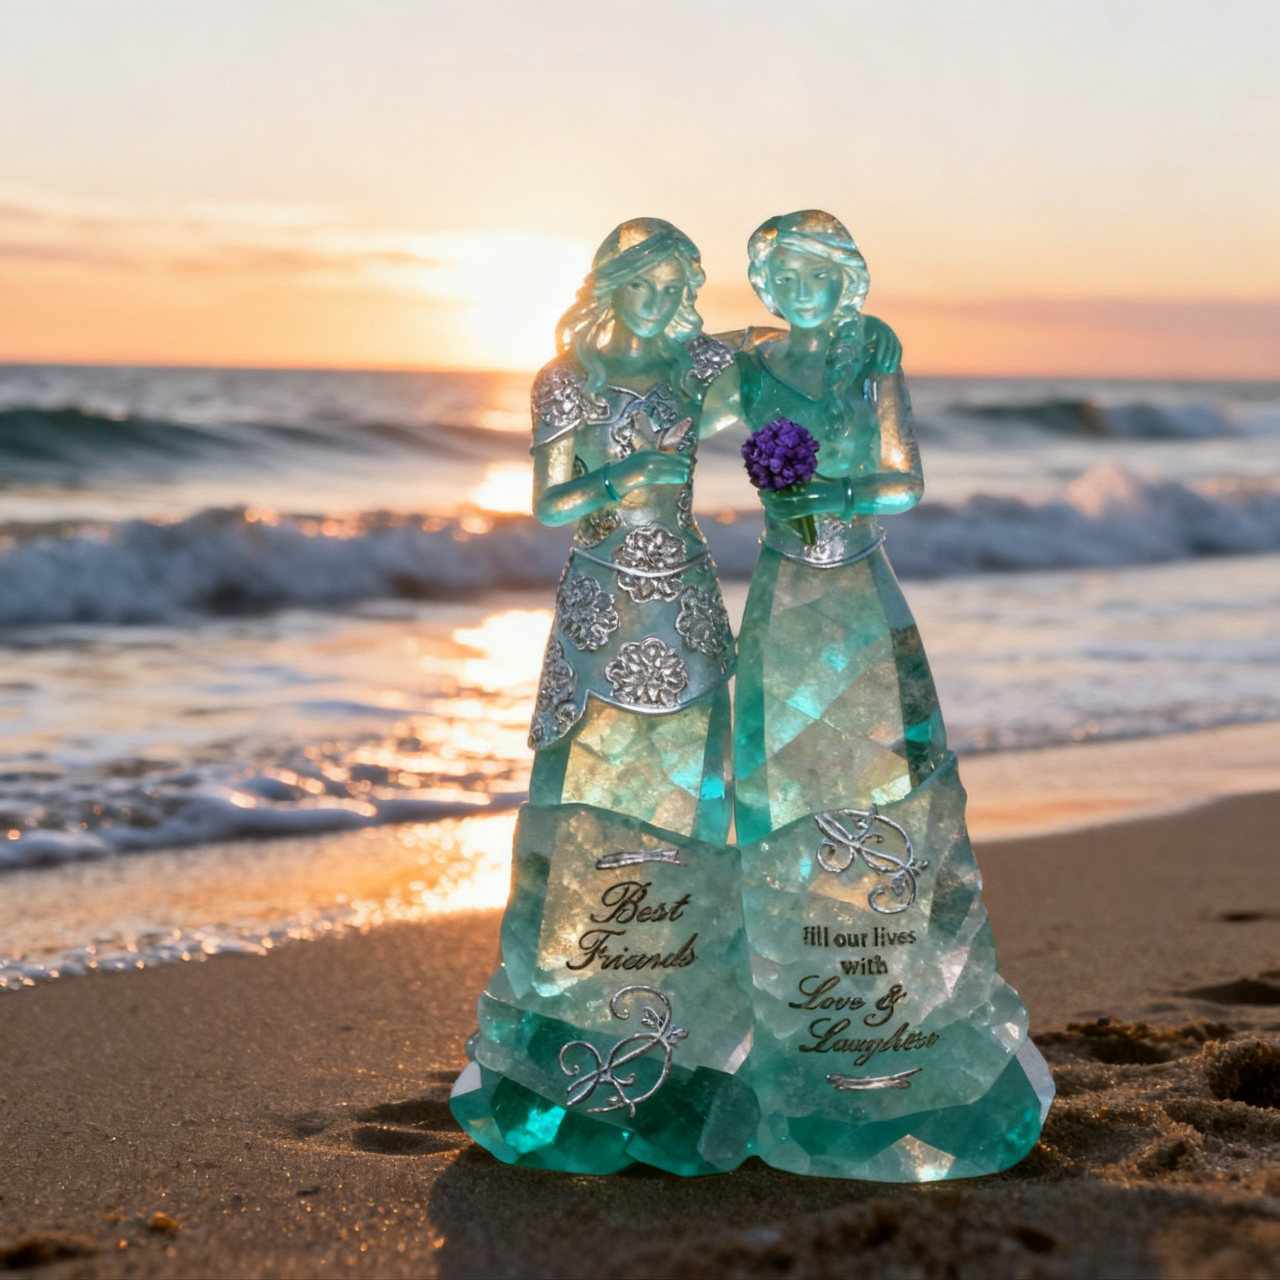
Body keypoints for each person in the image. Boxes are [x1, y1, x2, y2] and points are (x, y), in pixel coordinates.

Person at [705, 210, 1053, 1181]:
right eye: (779, 276)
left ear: (846, 276)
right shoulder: (748, 364)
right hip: (781, 596)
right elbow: (659, 393)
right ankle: (800, 1036)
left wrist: (831, 491)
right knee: (780, 796)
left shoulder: (870, 352)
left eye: (813, 271)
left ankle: (918, 1026)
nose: (797, 288)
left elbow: (903, 479)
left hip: (858, 585)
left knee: (900, 789)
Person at [451, 219, 757, 1176]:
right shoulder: (567, 379)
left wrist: (846, 348)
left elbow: (779, 355)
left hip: (688, 601)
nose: (663, 304)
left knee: (696, 804)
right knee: (576, 795)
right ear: (611, 286)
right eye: (647, 286)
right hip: (599, 602)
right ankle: (558, 1033)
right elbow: (549, 501)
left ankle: (686, 1040)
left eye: (678, 289)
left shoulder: (695, 368)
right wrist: (624, 475)